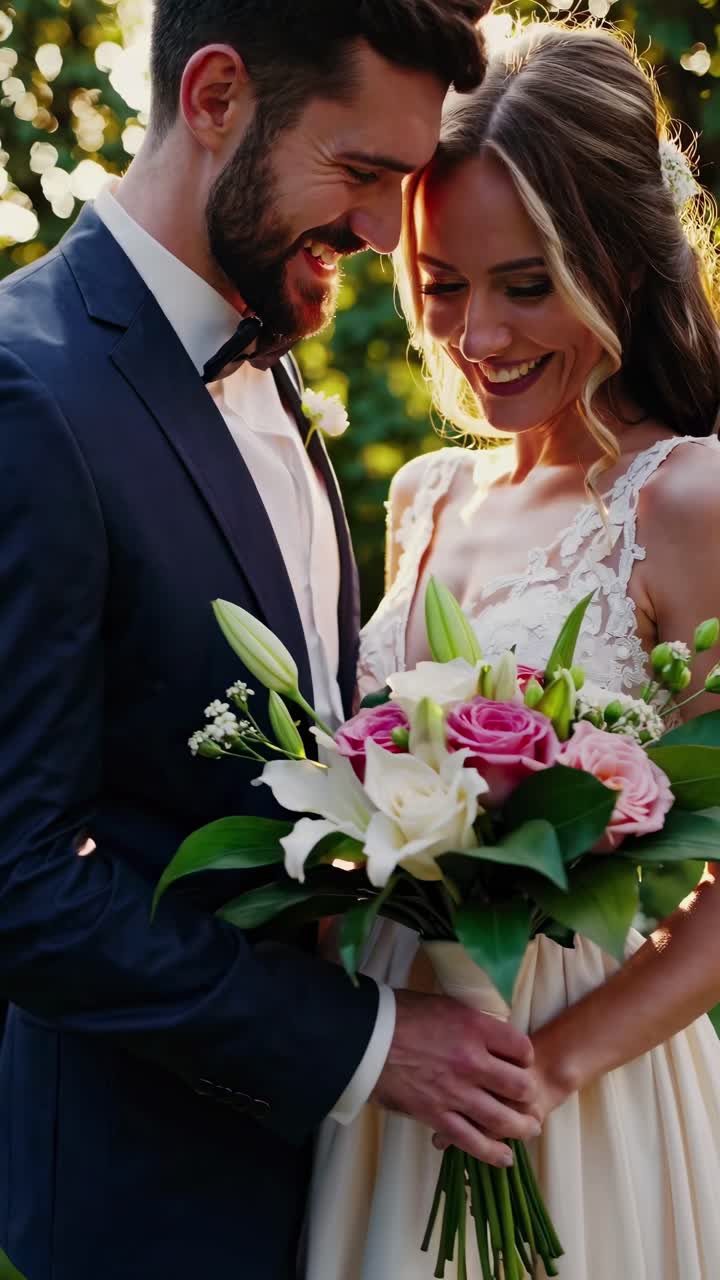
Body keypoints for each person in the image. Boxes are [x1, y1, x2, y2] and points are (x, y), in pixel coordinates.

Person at [0, 4, 545, 1278]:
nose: (377, 232)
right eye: (360, 175)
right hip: (152, 1207)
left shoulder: (269, 343)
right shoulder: (28, 392)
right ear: (215, 96)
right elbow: (18, 880)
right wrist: (363, 1042)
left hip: (350, 1193)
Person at [306, 19, 720, 1280]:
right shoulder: (426, 496)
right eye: (443, 284)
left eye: (526, 283)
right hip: (394, 1061)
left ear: (623, 260)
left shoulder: (687, 500)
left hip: (584, 1080)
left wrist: (553, 1065)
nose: (477, 334)